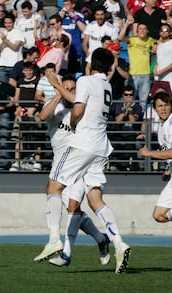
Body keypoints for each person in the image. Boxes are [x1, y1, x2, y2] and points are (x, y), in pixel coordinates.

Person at [45, 48, 131, 274]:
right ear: (110, 67)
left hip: (82, 144)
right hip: (101, 147)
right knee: (95, 200)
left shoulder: (85, 80)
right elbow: (78, 98)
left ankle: (54, 239)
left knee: (53, 186)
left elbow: (78, 109)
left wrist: (73, 124)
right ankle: (119, 243)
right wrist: (57, 84)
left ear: (91, 63)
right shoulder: (106, 85)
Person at [34, 73, 111, 265]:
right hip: (59, 164)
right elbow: (42, 116)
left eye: (73, 89)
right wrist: (59, 93)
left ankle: (62, 249)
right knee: (73, 210)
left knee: (73, 207)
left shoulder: (81, 109)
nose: (71, 92)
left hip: (78, 162)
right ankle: (101, 239)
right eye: (67, 88)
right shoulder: (56, 104)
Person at [139, 92, 172, 225]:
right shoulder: (162, 128)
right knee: (159, 215)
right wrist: (168, 170)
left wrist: (149, 153)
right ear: (155, 109)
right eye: (160, 106)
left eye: (166, 105)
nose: (163, 109)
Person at [9, 61, 41, 171]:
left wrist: (34, 108)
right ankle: (17, 162)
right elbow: (17, 96)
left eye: (30, 70)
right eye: (26, 70)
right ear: (23, 71)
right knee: (18, 136)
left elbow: (39, 96)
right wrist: (17, 106)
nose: (28, 73)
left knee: (36, 136)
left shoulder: (38, 81)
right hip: (21, 111)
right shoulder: (20, 81)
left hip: (34, 111)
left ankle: (37, 161)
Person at [118, 16, 155, 110]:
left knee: (143, 102)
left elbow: (160, 43)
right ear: (137, 31)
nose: (142, 31)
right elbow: (120, 38)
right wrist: (126, 24)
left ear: (147, 31)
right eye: (140, 29)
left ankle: (142, 122)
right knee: (130, 101)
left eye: (144, 29)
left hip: (146, 75)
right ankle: (129, 123)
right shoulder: (133, 40)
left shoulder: (150, 40)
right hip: (133, 75)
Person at [109, 85, 143, 171]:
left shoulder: (138, 107)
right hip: (119, 132)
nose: (128, 97)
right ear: (123, 95)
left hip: (131, 133)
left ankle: (125, 165)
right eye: (126, 94)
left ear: (133, 95)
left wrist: (130, 109)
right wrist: (124, 109)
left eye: (130, 95)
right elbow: (118, 121)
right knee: (115, 142)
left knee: (128, 144)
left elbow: (133, 121)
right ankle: (116, 165)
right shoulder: (118, 105)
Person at [82, 5, 118, 75]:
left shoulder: (111, 28)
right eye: (97, 15)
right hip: (91, 59)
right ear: (95, 16)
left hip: (104, 60)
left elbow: (116, 46)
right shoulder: (90, 26)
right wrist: (89, 55)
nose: (100, 17)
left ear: (105, 15)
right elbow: (84, 44)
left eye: (102, 14)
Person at [59, 0, 86, 74]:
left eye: (67, 5)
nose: (65, 7)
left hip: (75, 51)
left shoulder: (79, 16)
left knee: (76, 74)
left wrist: (75, 18)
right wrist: (59, 19)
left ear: (73, 5)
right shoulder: (59, 15)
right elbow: (53, 30)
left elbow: (85, 30)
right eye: (64, 5)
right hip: (62, 51)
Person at [0, 13, 24, 83]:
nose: (7, 25)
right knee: (3, 88)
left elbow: (15, 47)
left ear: (13, 23)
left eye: (9, 23)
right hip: (3, 65)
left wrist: (5, 40)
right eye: (5, 23)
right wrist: (3, 41)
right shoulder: (3, 33)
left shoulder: (18, 33)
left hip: (15, 65)